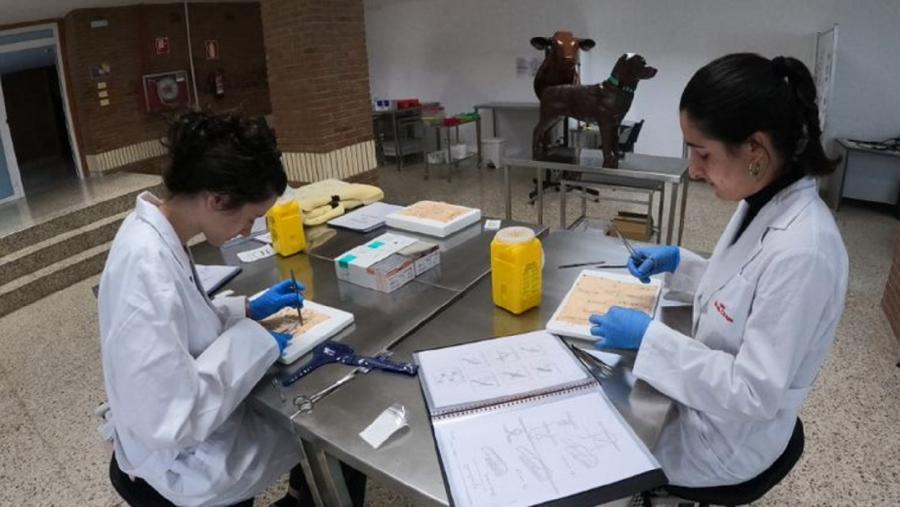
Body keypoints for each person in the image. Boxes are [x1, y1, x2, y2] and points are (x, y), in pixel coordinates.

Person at [589, 53, 849, 487]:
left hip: (724, 443)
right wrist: (682, 266)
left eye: (703, 153)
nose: (693, 169)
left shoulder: (805, 252)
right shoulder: (763, 198)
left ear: (755, 149)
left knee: (597, 446)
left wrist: (650, 338)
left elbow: (753, 392)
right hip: (708, 406)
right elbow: (745, 288)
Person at [98, 111, 365, 506]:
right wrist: (253, 340)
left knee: (315, 429)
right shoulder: (146, 267)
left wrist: (246, 310)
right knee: (335, 433)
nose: (248, 231)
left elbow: (182, 326)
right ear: (217, 199)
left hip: (181, 437)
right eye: (251, 218)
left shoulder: (156, 232)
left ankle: (302, 491)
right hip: (179, 462)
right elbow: (172, 417)